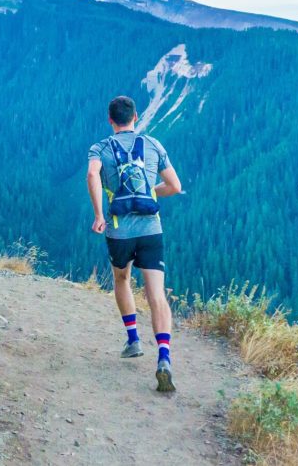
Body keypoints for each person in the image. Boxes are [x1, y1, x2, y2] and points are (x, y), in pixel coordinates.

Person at [87, 95, 183, 393]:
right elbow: (175, 187)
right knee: (157, 294)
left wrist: (100, 214)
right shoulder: (153, 145)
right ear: (136, 117)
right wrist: (149, 193)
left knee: (122, 278)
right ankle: (164, 358)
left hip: (119, 231)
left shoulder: (100, 148)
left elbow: (92, 174)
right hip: (151, 230)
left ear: (110, 119)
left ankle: (133, 339)